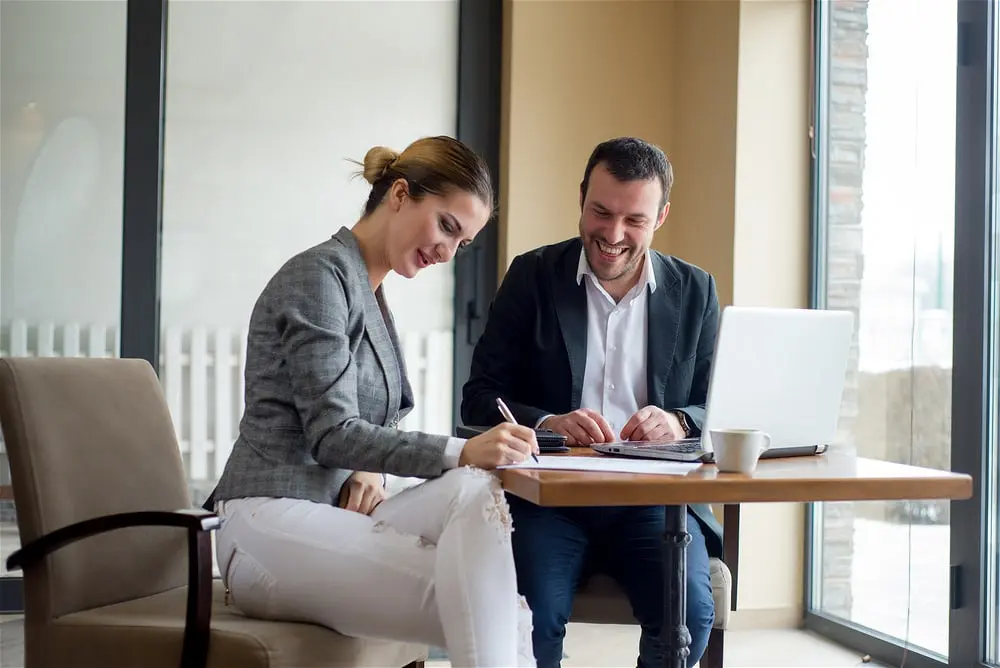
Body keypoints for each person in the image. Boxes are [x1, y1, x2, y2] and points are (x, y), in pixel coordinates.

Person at [205, 135, 538, 668]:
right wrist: (461, 449)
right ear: (401, 195)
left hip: (331, 515)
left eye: (464, 243)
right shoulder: (319, 276)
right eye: (447, 227)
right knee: (490, 600)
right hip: (267, 520)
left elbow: (366, 425)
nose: (449, 253)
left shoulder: (368, 290)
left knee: (476, 496)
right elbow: (333, 433)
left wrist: (374, 472)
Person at [461, 137, 722, 668]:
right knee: (529, 619)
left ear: (662, 216)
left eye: (635, 220)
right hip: (548, 499)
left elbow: (717, 406)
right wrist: (549, 422)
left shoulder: (696, 291)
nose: (614, 235)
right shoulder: (531, 277)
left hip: (656, 504)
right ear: (581, 198)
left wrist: (676, 421)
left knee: (690, 615)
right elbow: (478, 398)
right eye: (601, 212)